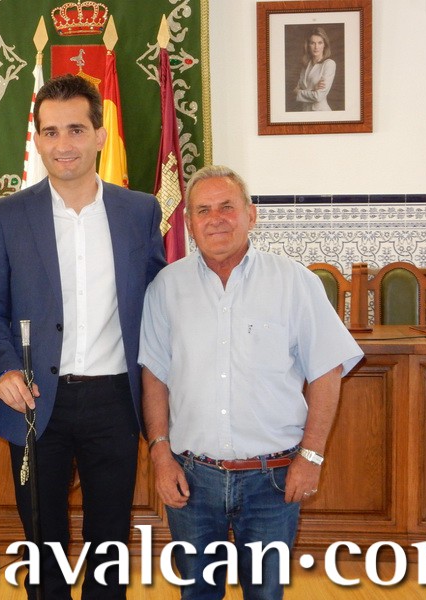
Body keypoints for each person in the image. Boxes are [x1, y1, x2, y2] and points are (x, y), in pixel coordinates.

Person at [0, 73, 166, 600]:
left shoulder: (139, 211)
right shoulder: (8, 215)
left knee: (109, 540)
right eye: (51, 131)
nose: (64, 144)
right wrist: (3, 368)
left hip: (114, 399)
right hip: (36, 398)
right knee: (43, 541)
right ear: (37, 140)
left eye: (76, 129)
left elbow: (158, 299)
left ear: (100, 136)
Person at [139, 165, 363, 600]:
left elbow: (327, 370)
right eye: (203, 210)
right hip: (191, 477)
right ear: (189, 224)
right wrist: (160, 455)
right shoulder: (166, 287)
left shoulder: (295, 283)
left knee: (264, 593)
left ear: (251, 214)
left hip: (272, 481)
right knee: (197, 593)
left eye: (227, 206)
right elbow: (155, 375)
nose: (215, 219)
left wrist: (312, 456)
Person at [293, 27, 336, 111]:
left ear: (324, 45)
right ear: (308, 45)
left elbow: (318, 97)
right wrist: (313, 89)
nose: (316, 47)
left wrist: (298, 92)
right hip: (305, 112)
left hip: (321, 112)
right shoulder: (306, 65)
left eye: (320, 43)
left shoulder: (329, 64)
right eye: (313, 43)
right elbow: (294, 92)